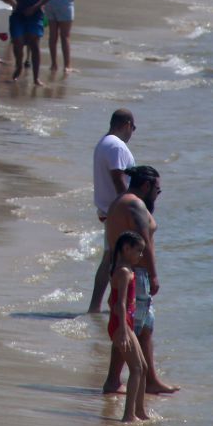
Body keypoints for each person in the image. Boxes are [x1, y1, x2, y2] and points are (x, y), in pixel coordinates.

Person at [101, 165, 176, 397]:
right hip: (137, 274)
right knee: (131, 329)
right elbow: (145, 242)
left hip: (129, 272)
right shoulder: (134, 204)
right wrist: (154, 274)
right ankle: (113, 381)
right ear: (147, 186)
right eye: (158, 190)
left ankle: (150, 379)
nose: (157, 195)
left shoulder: (121, 200)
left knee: (143, 330)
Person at [88, 109, 136, 312]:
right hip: (116, 211)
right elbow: (117, 177)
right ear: (126, 124)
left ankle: (99, 306)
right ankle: (110, 305)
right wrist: (129, 207)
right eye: (133, 128)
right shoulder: (116, 146)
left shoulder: (104, 143)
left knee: (109, 258)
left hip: (109, 209)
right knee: (115, 260)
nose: (132, 132)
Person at [106, 231, 150, 423]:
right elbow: (120, 303)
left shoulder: (125, 270)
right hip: (121, 326)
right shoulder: (123, 272)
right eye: (138, 251)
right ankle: (128, 415)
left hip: (125, 324)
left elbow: (110, 300)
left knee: (144, 367)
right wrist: (123, 329)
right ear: (126, 248)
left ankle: (139, 411)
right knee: (137, 368)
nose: (140, 255)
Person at [6, 0, 51, 85]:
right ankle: (19, 64)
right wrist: (12, 3)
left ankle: (36, 77)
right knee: (17, 41)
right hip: (17, 12)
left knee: (34, 43)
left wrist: (36, 7)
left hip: (35, 13)